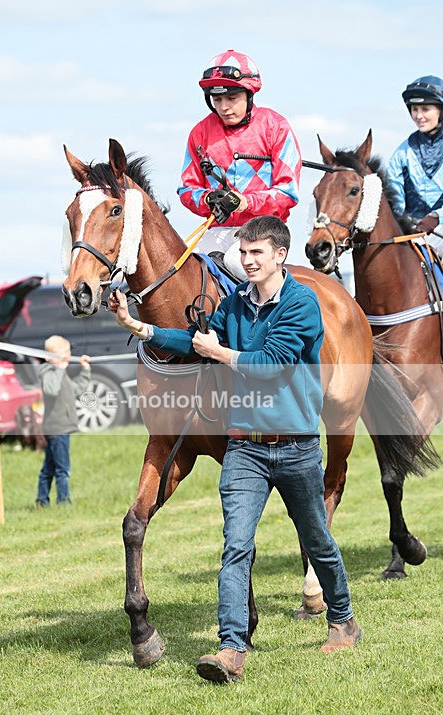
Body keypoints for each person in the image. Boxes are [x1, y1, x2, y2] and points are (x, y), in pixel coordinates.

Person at [109, 215, 361, 682]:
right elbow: (192, 342)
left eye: (256, 253)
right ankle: (231, 649)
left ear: (280, 256)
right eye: (243, 253)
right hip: (244, 448)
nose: (246, 261)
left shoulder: (303, 305)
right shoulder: (234, 306)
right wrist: (140, 328)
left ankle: (343, 620)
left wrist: (218, 353)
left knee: (318, 542)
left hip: (296, 447)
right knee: (235, 547)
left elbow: (272, 365)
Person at [178, 49, 302, 281]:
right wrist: (207, 199)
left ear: (249, 95)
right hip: (217, 229)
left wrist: (246, 202)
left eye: (232, 98)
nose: (224, 107)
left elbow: (288, 191)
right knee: (180, 267)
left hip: (266, 228)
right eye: (217, 99)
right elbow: (186, 189)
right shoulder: (199, 133)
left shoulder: (276, 126)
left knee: (238, 261)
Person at [387, 75, 443, 259]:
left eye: (425, 109)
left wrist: (436, 216)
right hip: (413, 232)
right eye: (415, 109)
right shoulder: (401, 153)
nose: (419, 116)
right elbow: (394, 199)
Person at [36, 335, 91, 507]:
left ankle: (42, 501)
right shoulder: (48, 372)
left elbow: (77, 389)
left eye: (68, 354)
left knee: (49, 468)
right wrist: (59, 369)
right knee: (62, 470)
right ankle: (64, 502)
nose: (67, 358)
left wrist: (85, 370)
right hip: (57, 429)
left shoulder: (61, 374)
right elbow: (51, 390)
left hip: (62, 428)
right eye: (63, 355)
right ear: (49, 358)